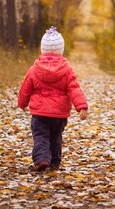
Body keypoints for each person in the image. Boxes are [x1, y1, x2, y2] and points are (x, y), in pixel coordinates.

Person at [17, 26, 88, 171]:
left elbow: (26, 88)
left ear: (42, 49)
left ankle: (41, 159)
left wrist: (22, 103)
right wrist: (81, 107)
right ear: (61, 50)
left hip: (39, 113)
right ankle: (54, 162)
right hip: (59, 114)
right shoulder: (67, 69)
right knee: (56, 137)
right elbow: (74, 88)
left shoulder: (34, 69)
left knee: (41, 136)